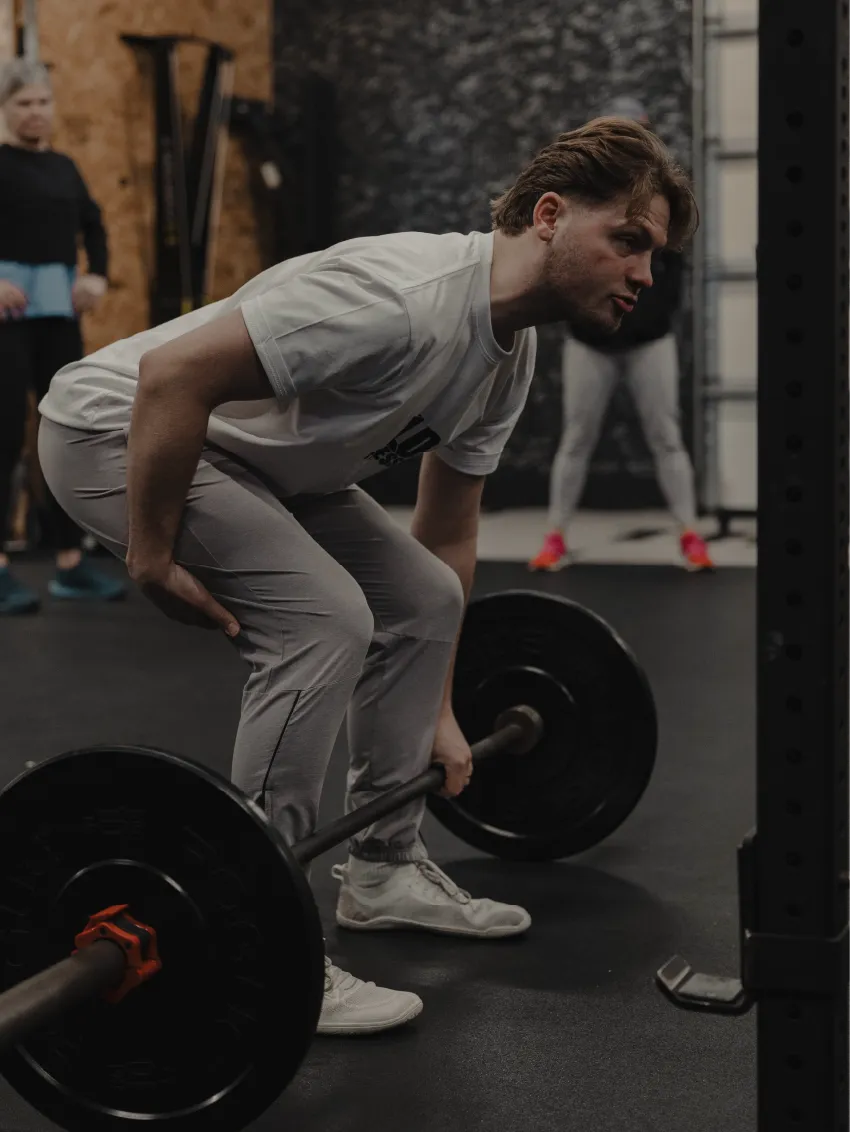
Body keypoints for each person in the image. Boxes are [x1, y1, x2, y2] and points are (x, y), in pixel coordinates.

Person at [37, 117, 697, 1034]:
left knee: (425, 598)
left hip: (254, 461)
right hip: (115, 431)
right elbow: (171, 377)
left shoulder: (509, 353)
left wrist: (434, 707)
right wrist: (150, 556)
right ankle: (258, 934)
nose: (643, 275)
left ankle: (383, 871)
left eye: (654, 256)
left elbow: (446, 536)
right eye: (629, 241)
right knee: (323, 622)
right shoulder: (400, 297)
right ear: (549, 214)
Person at [529, 97, 713, 573]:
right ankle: (555, 538)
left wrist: (643, 317)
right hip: (590, 343)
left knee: (666, 437)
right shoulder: (585, 199)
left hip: (650, 343)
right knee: (577, 439)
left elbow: (669, 274)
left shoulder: (663, 200)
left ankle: (690, 536)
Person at [0, 59, 126, 614]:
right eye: (23, 102)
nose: (35, 112)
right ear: (5, 110)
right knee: (4, 436)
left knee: (65, 434)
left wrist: (96, 274)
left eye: (42, 102)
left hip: (58, 317)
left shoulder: (65, 168)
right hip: (6, 320)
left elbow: (94, 224)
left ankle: (71, 564)